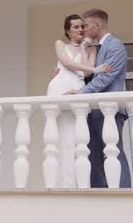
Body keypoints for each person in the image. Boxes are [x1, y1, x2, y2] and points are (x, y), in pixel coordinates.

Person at [65, 8, 130, 188]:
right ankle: (99, 192)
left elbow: (105, 78)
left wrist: (81, 93)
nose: (84, 30)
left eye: (86, 26)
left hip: (110, 110)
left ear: (97, 25)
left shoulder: (115, 45)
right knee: (92, 155)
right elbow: (87, 73)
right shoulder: (94, 48)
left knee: (113, 152)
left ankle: (123, 192)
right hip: (91, 110)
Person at [46, 14, 112, 188]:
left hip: (76, 90)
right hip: (58, 89)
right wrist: (95, 68)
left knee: (75, 139)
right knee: (57, 137)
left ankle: (73, 183)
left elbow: (87, 74)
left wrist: (84, 48)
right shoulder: (60, 44)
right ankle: (58, 183)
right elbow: (67, 63)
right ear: (68, 31)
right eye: (76, 27)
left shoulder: (91, 50)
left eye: (83, 26)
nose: (81, 29)